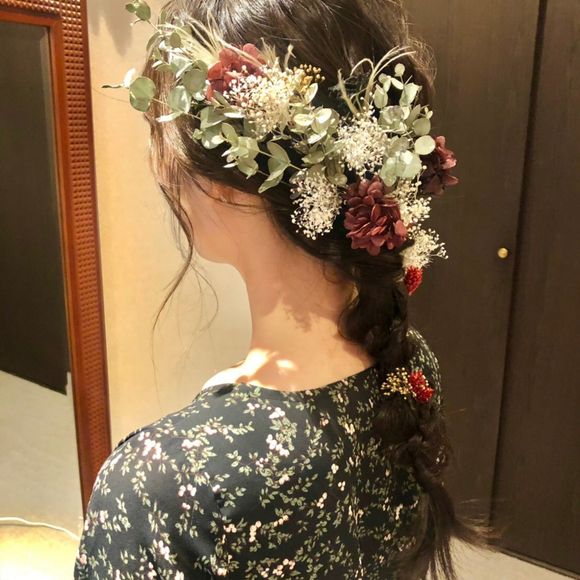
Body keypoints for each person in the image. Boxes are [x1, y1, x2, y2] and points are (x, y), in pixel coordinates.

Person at [74, 0, 490, 578]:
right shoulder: (409, 368)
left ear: (229, 187)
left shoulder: (161, 485)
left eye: (165, 145)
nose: (163, 171)